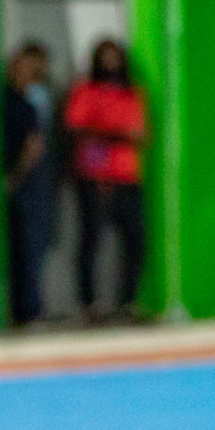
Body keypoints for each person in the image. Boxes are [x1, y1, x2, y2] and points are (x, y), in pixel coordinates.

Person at [64, 38, 147, 323]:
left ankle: (127, 303)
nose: (111, 63)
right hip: (94, 177)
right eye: (105, 57)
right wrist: (119, 135)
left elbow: (141, 134)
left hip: (127, 176)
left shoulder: (131, 93)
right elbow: (78, 130)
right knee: (92, 241)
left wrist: (107, 132)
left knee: (136, 240)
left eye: (116, 57)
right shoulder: (84, 90)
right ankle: (88, 305)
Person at [2, 42, 55, 327]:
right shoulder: (9, 103)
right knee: (20, 251)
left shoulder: (30, 103)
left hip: (30, 187)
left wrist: (16, 177)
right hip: (19, 187)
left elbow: (34, 149)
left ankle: (31, 311)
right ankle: (23, 312)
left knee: (32, 249)